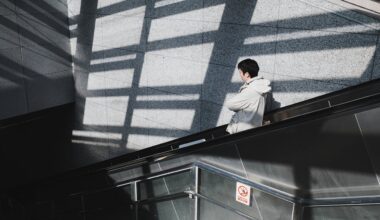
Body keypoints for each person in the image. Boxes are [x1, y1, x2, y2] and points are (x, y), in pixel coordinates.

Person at [226, 59, 271, 134]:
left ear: (246, 74)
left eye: (240, 72)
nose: (240, 75)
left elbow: (230, 104)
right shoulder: (261, 86)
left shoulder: (251, 90)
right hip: (253, 127)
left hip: (242, 130)